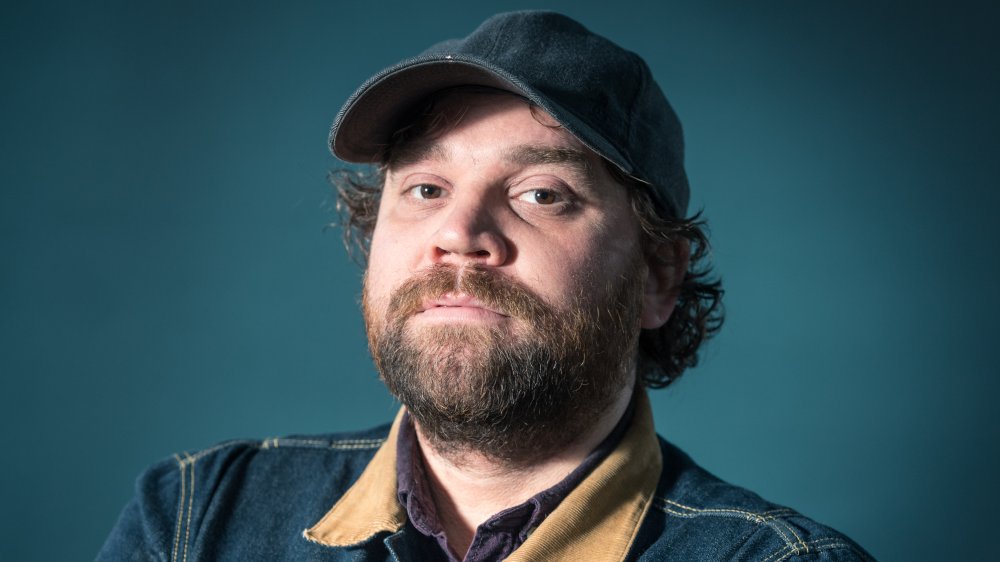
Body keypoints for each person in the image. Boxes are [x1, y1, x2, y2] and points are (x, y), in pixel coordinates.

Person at [98, 10, 873, 561]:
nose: (458, 233)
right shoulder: (195, 522)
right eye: (426, 189)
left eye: (542, 194)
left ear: (658, 277)